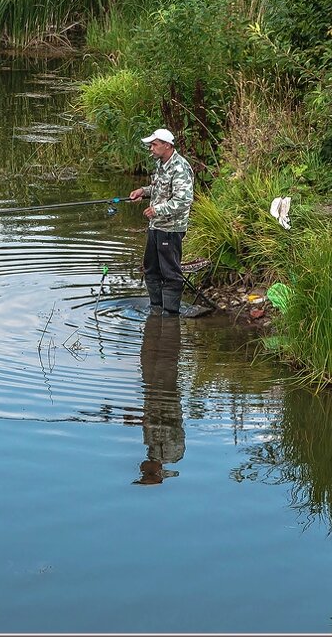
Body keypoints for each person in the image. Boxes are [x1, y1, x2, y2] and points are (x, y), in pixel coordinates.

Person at [129, 128, 194, 314]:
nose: (151, 148)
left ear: (167, 145)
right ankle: (156, 309)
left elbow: (183, 200)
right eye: (150, 145)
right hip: (155, 226)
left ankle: (171, 315)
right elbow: (159, 188)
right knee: (150, 269)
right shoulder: (161, 163)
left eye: (154, 145)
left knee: (170, 274)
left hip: (171, 229)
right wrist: (143, 191)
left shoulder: (180, 167)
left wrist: (157, 210)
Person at [132, 311, 184, 485]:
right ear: (155, 473)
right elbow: (168, 424)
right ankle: (166, 325)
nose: (140, 468)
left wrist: (140, 418)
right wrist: (143, 419)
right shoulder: (171, 455)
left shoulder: (155, 453)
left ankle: (164, 324)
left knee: (156, 362)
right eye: (144, 473)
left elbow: (153, 421)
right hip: (165, 397)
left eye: (142, 473)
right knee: (162, 362)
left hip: (157, 397)